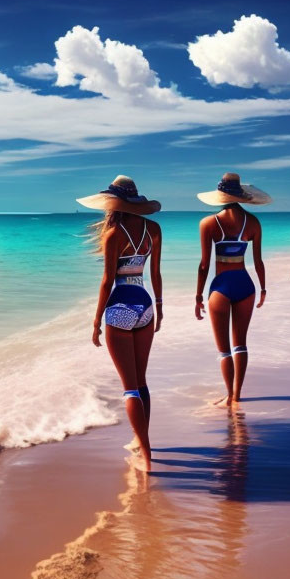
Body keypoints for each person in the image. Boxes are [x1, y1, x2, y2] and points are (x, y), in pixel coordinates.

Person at [78, 176, 163, 471]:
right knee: (141, 381)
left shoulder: (113, 233)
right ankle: (142, 439)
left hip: (120, 306)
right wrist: (160, 308)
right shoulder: (153, 229)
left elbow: (107, 282)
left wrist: (96, 320)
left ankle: (146, 455)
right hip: (145, 303)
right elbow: (156, 274)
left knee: (129, 389)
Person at [194, 173, 270, 406]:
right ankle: (237, 393)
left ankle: (229, 396)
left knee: (224, 349)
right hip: (246, 284)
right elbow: (257, 261)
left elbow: (205, 264)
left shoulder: (209, 223)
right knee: (241, 343)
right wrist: (264, 288)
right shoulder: (253, 223)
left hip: (222, 285)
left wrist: (198, 295)